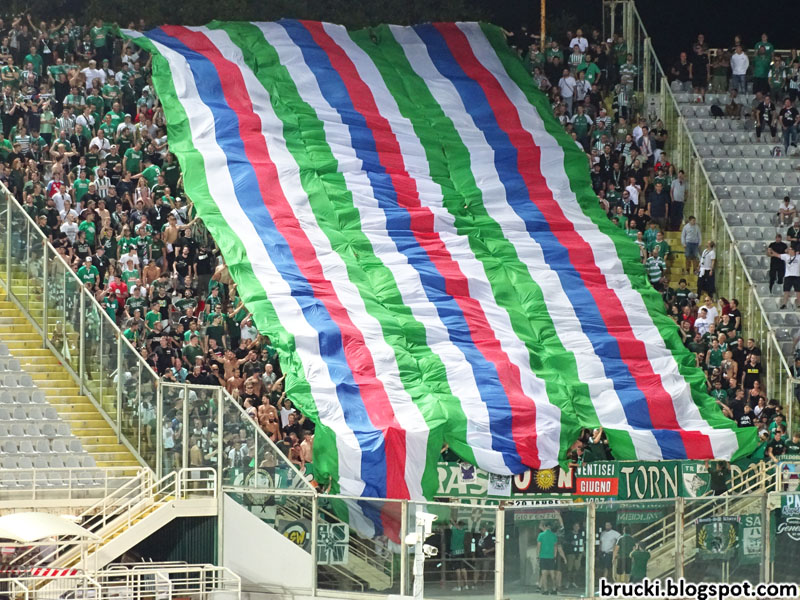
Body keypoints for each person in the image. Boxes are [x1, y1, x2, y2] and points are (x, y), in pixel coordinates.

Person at [768, 245, 800, 309]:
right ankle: (784, 304)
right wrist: (771, 250)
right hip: (788, 276)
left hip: (796, 276)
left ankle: (799, 303)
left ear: (793, 251)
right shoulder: (786, 256)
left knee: (798, 291)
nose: (788, 250)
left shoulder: (798, 257)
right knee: (786, 291)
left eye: (790, 249)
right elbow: (777, 255)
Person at [537, 521, 564, 595]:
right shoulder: (554, 536)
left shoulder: (541, 535)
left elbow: (539, 546)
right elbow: (555, 547)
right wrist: (554, 556)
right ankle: (554, 589)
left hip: (543, 556)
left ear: (545, 526)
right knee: (552, 574)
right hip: (551, 557)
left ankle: (545, 590)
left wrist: (537, 556)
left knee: (544, 574)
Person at [449, 519, 468, 591]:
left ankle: (459, 586)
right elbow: (456, 526)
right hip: (462, 551)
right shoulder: (463, 531)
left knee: (457, 570)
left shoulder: (454, 530)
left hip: (455, 552)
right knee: (463, 568)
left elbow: (450, 524)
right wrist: (455, 523)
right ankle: (466, 585)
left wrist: (452, 521)